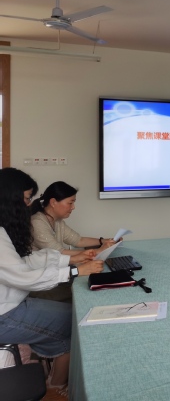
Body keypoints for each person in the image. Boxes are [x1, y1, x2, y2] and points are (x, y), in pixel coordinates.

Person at [0, 168, 102, 400]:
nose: (28, 205)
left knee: (71, 320)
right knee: (76, 321)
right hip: (6, 313)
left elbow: (26, 260)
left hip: (14, 304)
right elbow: (23, 275)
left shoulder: (6, 229)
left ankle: (54, 377)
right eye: (27, 198)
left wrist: (73, 260)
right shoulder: (25, 225)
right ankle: (56, 386)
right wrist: (75, 269)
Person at [31, 181, 118, 258]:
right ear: (53, 202)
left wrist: (103, 241)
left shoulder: (57, 221)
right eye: (70, 203)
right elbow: (59, 253)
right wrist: (97, 251)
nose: (73, 207)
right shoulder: (37, 223)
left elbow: (79, 241)